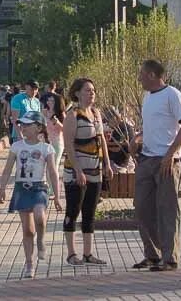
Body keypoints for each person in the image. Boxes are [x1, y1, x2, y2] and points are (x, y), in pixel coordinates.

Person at [130, 59, 181, 273]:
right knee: (141, 207)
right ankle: (152, 254)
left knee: (167, 209)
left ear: (152, 75)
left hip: (167, 161)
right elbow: (152, 125)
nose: (139, 78)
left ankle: (170, 258)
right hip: (147, 159)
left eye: (141, 74)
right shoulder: (147, 97)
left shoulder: (172, 95)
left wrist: (171, 154)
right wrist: (137, 137)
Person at [0, 111, 62, 279]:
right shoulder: (17, 146)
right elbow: (7, 170)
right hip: (21, 188)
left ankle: (41, 240)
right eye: (22, 124)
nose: (23, 127)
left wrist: (57, 195)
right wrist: (2, 189)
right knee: (27, 230)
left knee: (40, 216)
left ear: (39, 127)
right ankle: (29, 264)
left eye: (27, 125)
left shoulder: (46, 148)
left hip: (40, 187)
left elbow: (53, 173)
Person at [62, 78, 111, 266]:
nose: (92, 94)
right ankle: (72, 253)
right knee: (73, 210)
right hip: (77, 172)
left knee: (90, 212)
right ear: (77, 93)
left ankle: (88, 253)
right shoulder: (73, 115)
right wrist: (78, 170)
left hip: (95, 170)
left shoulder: (96, 113)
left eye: (93, 90)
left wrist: (106, 163)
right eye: (88, 90)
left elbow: (101, 140)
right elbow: (68, 145)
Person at [42, 91, 65, 172]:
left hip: (57, 143)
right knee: (47, 169)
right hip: (46, 143)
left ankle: (54, 185)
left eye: (52, 101)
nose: (49, 102)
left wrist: (57, 122)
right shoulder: (44, 112)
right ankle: (50, 185)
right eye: (48, 100)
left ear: (57, 102)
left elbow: (65, 130)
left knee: (53, 167)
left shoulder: (61, 114)